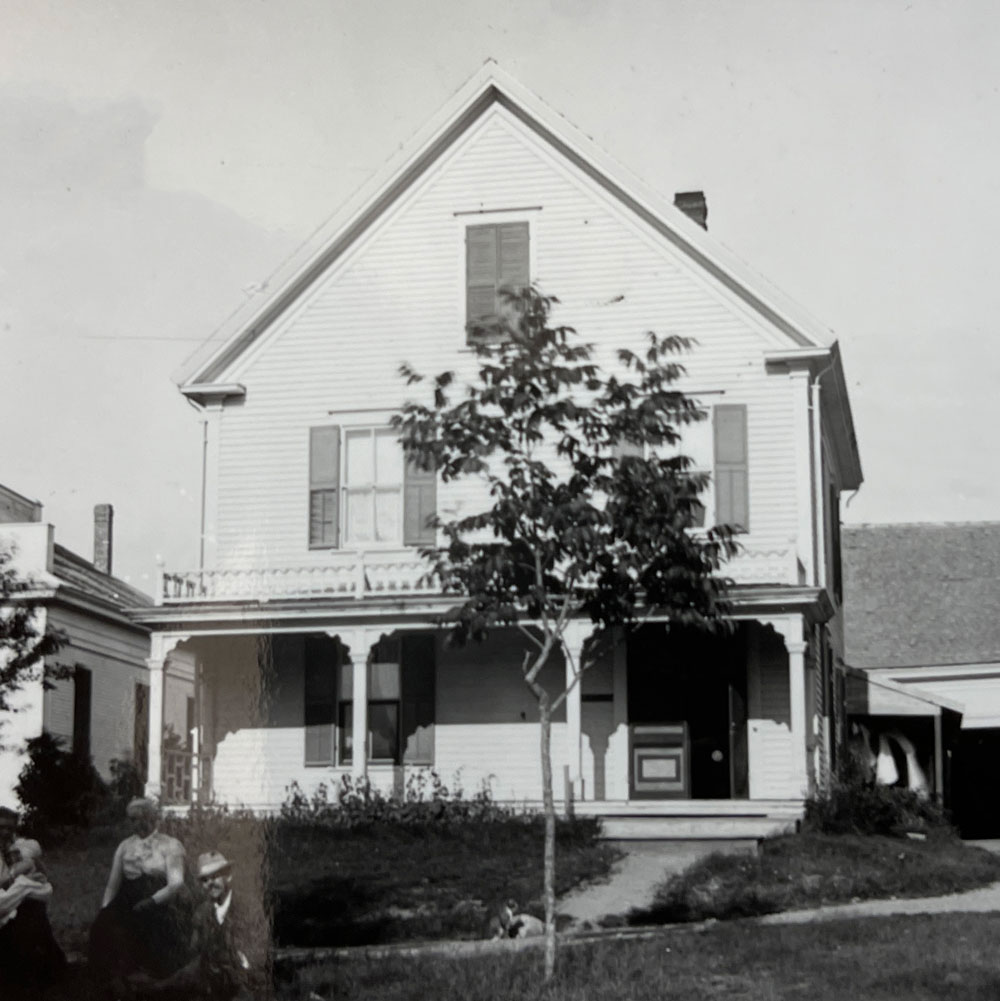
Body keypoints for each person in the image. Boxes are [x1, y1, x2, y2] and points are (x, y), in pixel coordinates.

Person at [88, 797, 190, 988]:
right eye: (130, 819)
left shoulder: (170, 845)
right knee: (103, 925)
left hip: (160, 899)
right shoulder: (125, 846)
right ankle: (113, 977)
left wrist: (152, 900)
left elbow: (176, 883)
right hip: (128, 896)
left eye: (137, 818)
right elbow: (112, 884)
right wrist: (105, 908)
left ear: (151, 818)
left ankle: (144, 974)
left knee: (145, 926)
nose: (133, 823)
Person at [141, 850, 256, 1000]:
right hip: (210, 988)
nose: (210, 884)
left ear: (228, 875)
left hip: (245, 986)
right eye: (205, 880)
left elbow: (256, 962)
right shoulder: (202, 913)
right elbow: (196, 957)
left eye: (215, 876)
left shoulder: (248, 910)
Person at [0, 806, 68, 996]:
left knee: (33, 908)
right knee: (28, 914)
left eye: (9, 828)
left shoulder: (15, 848)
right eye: (1, 827)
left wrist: (36, 876)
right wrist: (17, 875)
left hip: (12, 900)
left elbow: (43, 873)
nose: (5, 832)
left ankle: (40, 969)